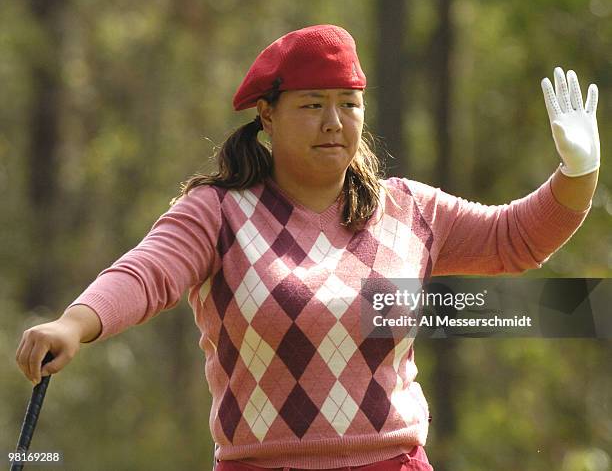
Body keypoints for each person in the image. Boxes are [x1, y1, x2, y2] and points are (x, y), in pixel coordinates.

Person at [15, 25, 600, 470]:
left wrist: (578, 173)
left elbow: (515, 240)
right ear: (267, 115)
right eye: (312, 103)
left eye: (348, 103)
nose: (333, 121)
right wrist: (75, 323)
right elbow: (146, 274)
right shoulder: (219, 211)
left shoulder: (409, 209)